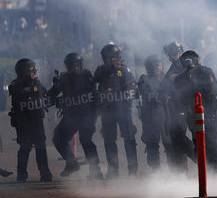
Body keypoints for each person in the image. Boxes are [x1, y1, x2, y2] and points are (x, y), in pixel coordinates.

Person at [48, 53, 102, 179]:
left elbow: (94, 95)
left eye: (76, 65)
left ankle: (95, 171)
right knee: (58, 138)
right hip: (71, 117)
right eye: (71, 66)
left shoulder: (87, 76)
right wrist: (55, 91)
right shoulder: (64, 78)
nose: (74, 68)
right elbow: (51, 94)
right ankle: (71, 163)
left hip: (87, 116)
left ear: (80, 65)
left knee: (86, 140)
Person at [94, 43, 139, 177]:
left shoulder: (124, 70)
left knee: (129, 138)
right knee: (109, 140)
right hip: (107, 111)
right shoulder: (101, 70)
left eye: (108, 58)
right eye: (104, 58)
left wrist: (118, 69)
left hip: (123, 110)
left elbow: (131, 88)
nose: (105, 60)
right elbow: (96, 78)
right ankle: (113, 170)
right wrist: (111, 68)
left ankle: (133, 170)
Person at [8, 58, 54, 182]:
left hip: (37, 121)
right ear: (22, 72)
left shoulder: (37, 83)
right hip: (23, 123)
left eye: (34, 70)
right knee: (25, 147)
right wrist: (28, 88)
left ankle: (45, 173)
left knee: (40, 147)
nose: (34, 73)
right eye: (31, 71)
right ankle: (21, 174)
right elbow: (14, 91)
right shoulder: (15, 84)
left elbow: (46, 94)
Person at [173, 50, 217, 170]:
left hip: (208, 112)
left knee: (210, 142)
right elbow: (178, 97)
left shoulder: (206, 72)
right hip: (192, 114)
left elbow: (215, 91)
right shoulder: (180, 78)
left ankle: (214, 172)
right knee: (198, 143)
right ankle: (205, 172)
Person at [161, 41, 194, 171]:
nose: (171, 57)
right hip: (176, 108)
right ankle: (182, 170)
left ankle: (201, 160)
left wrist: (177, 78)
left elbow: (192, 79)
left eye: (173, 54)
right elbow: (164, 85)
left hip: (186, 107)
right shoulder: (174, 66)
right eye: (169, 55)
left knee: (179, 137)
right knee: (176, 138)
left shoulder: (185, 64)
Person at [138, 55, 169, 170]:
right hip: (151, 117)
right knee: (152, 145)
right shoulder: (144, 79)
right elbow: (145, 92)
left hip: (165, 116)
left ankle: (177, 169)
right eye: (155, 65)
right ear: (149, 67)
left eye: (160, 64)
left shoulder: (166, 78)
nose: (158, 67)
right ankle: (157, 172)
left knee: (169, 144)